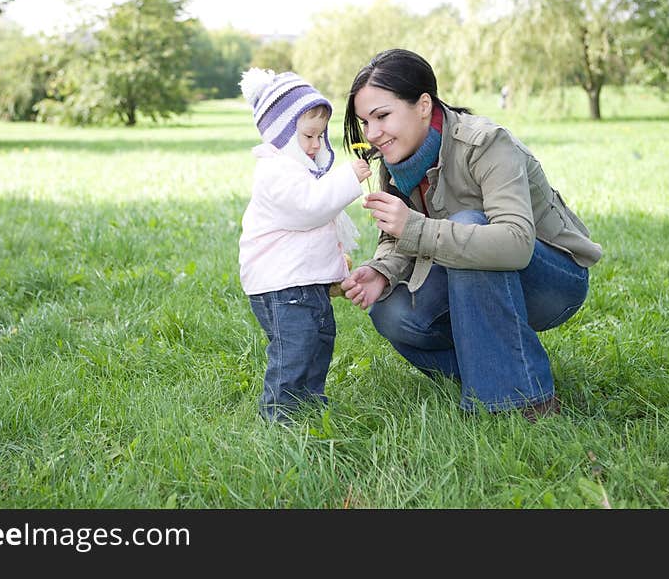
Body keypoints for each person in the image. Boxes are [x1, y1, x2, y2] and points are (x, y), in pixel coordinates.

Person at [340, 49, 602, 421]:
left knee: (469, 228)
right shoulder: (396, 161)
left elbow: (513, 245)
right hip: (473, 278)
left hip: (553, 279)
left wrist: (413, 227)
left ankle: (527, 402)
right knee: (391, 311)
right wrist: (382, 270)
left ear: (422, 105)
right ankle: (489, 376)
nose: (373, 133)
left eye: (382, 116)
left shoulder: (486, 142)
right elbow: (399, 236)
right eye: (366, 122)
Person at [238, 68, 372, 423]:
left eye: (320, 135)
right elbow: (309, 209)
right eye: (307, 136)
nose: (316, 144)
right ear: (281, 135)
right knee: (294, 349)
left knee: (319, 342)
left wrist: (335, 264)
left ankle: (310, 402)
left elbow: (316, 229)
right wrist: (347, 177)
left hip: (305, 283)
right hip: (281, 286)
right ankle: (279, 413)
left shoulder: (301, 171)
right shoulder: (275, 172)